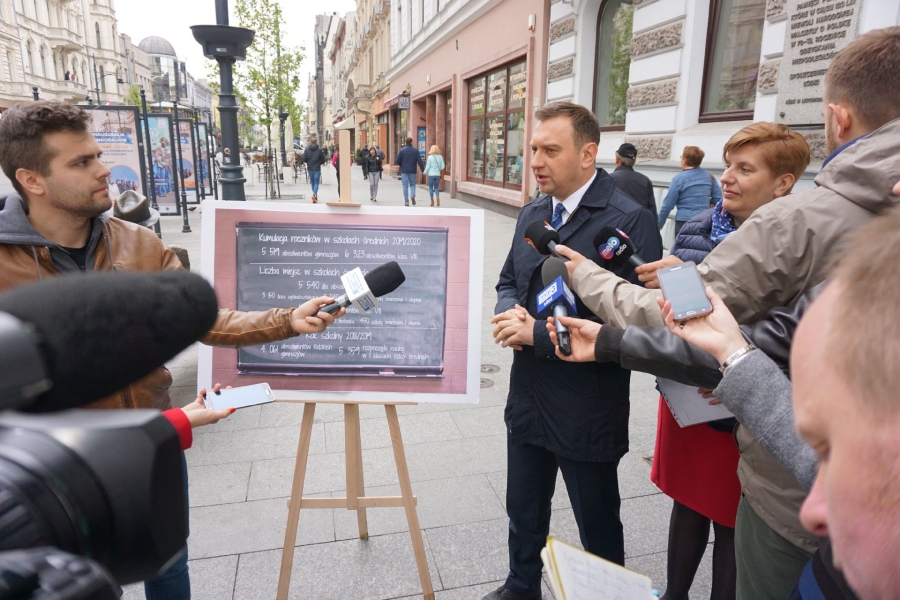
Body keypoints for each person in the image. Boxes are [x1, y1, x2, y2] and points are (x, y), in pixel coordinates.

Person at [553, 27, 900, 600]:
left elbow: (693, 326)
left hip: (769, 453)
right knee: (691, 511)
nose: (728, 179)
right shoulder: (708, 226)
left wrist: (586, 279)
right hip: (726, 418)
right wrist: (683, 278)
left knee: (736, 543)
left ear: (838, 120)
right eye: (727, 165)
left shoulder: (796, 223)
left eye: (745, 168)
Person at [0, 100, 346, 600]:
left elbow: (206, 321)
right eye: (82, 162)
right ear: (32, 179)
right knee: (77, 580)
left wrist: (285, 320)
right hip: (51, 462)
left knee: (167, 562)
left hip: (155, 437)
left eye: (99, 155)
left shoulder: (139, 242)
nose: (104, 171)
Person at [485, 101, 662, 600]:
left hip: (588, 404)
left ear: (587, 154)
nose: (536, 162)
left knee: (597, 522)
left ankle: (609, 594)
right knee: (523, 507)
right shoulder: (533, 212)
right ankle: (521, 586)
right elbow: (508, 280)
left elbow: (639, 324)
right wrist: (509, 312)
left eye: (550, 150)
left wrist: (538, 334)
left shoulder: (627, 221)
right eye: (533, 149)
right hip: (529, 394)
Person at [657, 146, 722, 236]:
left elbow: (667, 205)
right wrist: (708, 202)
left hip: (683, 222)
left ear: (684, 161)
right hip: (704, 220)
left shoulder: (678, 179)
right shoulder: (709, 176)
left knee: (682, 244)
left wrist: (659, 225)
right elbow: (718, 199)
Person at [609, 142, 658, 223]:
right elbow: (652, 213)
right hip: (638, 227)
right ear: (634, 161)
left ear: (617, 159)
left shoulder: (608, 179)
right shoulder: (645, 181)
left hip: (614, 227)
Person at [395, 136, 424, 206]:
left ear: (405, 142)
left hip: (404, 170)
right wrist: (423, 170)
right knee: (413, 184)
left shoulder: (402, 150)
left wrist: (402, 165)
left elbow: (397, 160)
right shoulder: (415, 151)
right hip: (412, 170)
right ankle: (412, 195)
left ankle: (406, 201)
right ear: (411, 142)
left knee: (405, 186)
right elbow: (420, 161)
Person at [302, 136, 326, 203]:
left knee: (312, 182)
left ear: (310, 142)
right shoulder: (319, 150)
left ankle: (314, 195)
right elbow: (323, 160)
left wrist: (309, 162)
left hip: (310, 168)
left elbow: (304, 159)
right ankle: (314, 194)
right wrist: (319, 163)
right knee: (316, 182)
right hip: (317, 168)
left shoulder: (306, 150)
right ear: (316, 142)